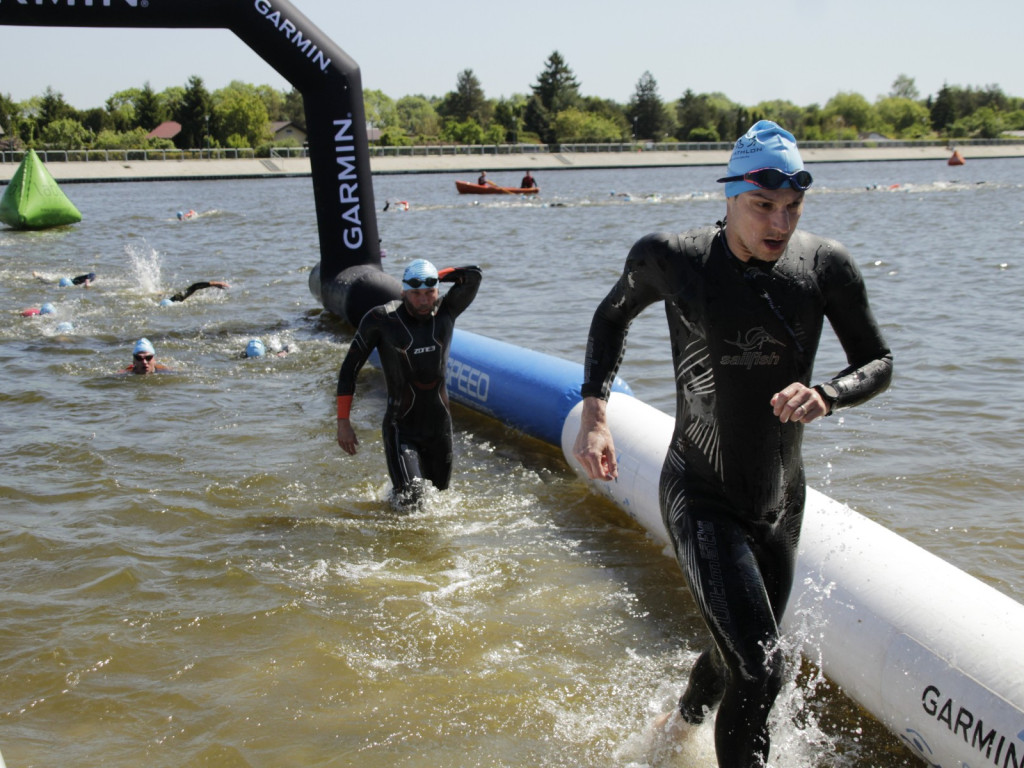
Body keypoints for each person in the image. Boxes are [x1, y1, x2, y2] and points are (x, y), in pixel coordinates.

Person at [572, 120, 892, 768]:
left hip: (781, 504)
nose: (780, 223)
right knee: (764, 669)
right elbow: (610, 317)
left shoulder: (823, 266)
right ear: (730, 194)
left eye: (793, 207)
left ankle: (678, 724)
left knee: (738, 653)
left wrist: (829, 393)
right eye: (763, 206)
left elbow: (878, 360)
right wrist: (596, 412)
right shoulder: (674, 258)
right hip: (701, 492)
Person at [336, 259, 482, 505]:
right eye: (416, 293)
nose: (424, 300)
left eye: (430, 292)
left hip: (439, 428)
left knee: (439, 501)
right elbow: (349, 369)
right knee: (414, 500)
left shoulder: (447, 311)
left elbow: (474, 275)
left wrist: (437, 275)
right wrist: (343, 423)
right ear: (403, 291)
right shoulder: (382, 320)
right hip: (401, 428)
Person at [160, 280, 229, 305]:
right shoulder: (176, 299)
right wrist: (214, 283)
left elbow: (195, 286)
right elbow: (195, 286)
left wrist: (214, 283)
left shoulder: (176, 299)